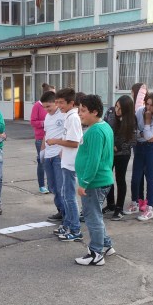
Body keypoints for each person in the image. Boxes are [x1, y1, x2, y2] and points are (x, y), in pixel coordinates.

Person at [74, 95, 115, 266]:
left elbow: (94, 160)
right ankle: (106, 245)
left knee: (92, 217)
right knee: (95, 214)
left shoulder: (95, 131)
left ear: (95, 112)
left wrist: (84, 182)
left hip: (94, 182)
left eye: (83, 111)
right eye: (79, 110)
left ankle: (96, 253)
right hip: (101, 180)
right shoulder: (104, 126)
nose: (79, 114)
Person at [46, 88, 82, 241]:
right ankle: (68, 224)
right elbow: (69, 139)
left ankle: (75, 229)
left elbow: (74, 142)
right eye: (57, 102)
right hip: (66, 162)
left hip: (71, 164)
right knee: (65, 195)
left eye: (61, 103)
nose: (59, 105)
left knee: (69, 197)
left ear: (71, 103)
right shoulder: (68, 116)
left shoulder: (73, 118)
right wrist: (61, 148)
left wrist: (56, 141)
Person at [131, 92, 153, 221]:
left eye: (152, 105)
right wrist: (142, 134)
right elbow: (135, 132)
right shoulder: (140, 111)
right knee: (135, 177)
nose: (148, 108)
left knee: (150, 178)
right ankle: (134, 203)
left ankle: (150, 208)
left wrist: (147, 121)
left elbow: (149, 136)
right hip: (140, 146)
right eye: (147, 104)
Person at [103, 95, 135, 221]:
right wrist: (108, 145)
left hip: (122, 154)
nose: (117, 110)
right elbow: (103, 127)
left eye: (120, 109)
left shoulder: (131, 119)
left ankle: (119, 208)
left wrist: (118, 147)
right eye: (116, 106)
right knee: (107, 178)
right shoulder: (110, 112)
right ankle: (110, 204)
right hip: (108, 152)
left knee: (120, 179)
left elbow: (132, 139)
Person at [40, 91, 65, 222]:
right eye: (44, 107)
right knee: (52, 186)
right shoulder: (47, 117)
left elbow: (69, 134)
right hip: (48, 155)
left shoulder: (63, 115)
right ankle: (60, 210)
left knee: (61, 187)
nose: (46, 109)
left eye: (48, 106)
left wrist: (62, 149)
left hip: (58, 155)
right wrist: (42, 151)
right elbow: (46, 134)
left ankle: (67, 214)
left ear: (55, 103)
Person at [126, 83, 148, 213]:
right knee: (138, 175)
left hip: (146, 144)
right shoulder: (135, 108)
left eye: (132, 92)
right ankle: (138, 199)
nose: (131, 94)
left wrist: (142, 90)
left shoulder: (141, 107)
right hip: (138, 144)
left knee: (144, 175)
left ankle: (142, 200)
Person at [30, 88, 49, 194]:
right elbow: (33, 122)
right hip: (40, 138)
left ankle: (51, 184)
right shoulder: (37, 105)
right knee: (42, 161)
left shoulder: (55, 107)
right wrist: (44, 123)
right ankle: (42, 185)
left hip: (51, 138)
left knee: (52, 162)